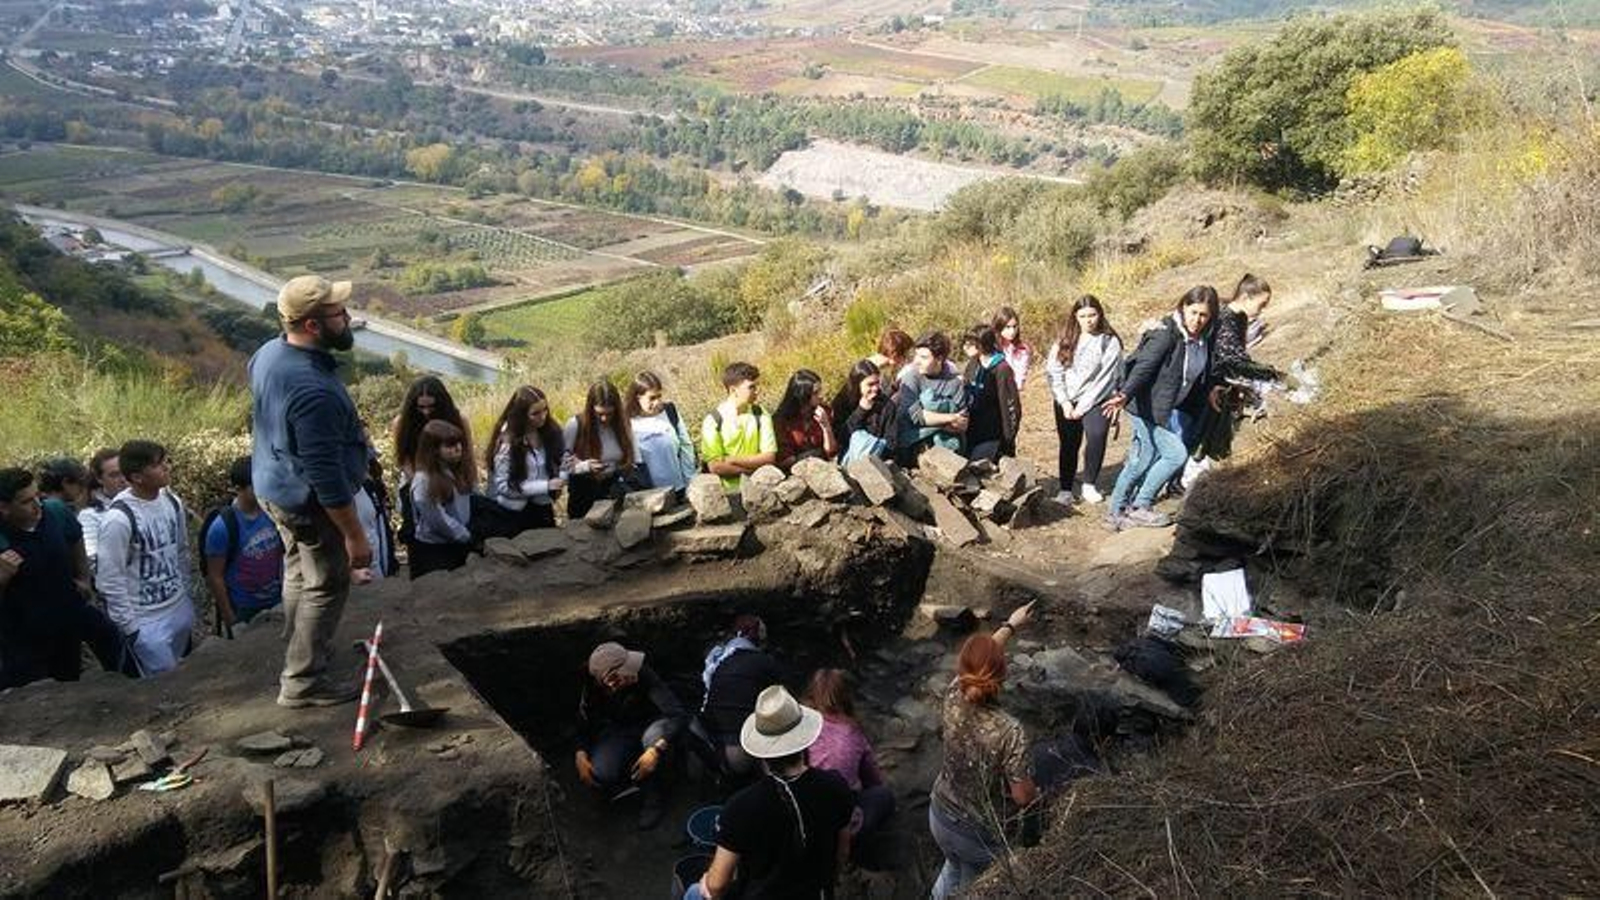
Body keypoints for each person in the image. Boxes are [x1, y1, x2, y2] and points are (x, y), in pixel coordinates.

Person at [250, 274, 373, 707]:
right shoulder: (312, 390)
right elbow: (324, 476)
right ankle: (303, 681)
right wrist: (354, 534)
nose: (348, 317)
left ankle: (303, 646)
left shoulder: (269, 354)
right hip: (306, 500)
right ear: (313, 326)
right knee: (327, 581)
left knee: (299, 572)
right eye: (338, 313)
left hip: (274, 486)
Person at [689, 685, 855, 900]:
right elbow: (842, 852)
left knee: (695, 892)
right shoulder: (835, 785)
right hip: (817, 893)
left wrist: (707, 883)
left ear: (762, 751)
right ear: (803, 741)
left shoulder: (741, 807)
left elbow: (717, 886)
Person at [929, 603, 1039, 899]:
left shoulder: (954, 692)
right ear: (1002, 675)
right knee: (970, 886)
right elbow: (1023, 796)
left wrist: (1012, 626)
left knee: (951, 868)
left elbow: (980, 661)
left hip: (939, 814)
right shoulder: (1010, 731)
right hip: (978, 834)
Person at [1101, 286, 1222, 531]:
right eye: (1193, 312)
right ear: (1183, 307)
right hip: (1143, 406)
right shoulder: (1166, 335)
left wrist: (1212, 388)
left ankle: (1118, 512)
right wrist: (1124, 394)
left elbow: (1203, 371)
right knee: (1174, 454)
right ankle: (1137, 507)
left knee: (1144, 458)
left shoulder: (1203, 340)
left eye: (1203, 315)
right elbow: (1143, 367)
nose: (1196, 320)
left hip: (1164, 408)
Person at [0, 468, 127, 689]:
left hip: (67, 616)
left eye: (38, 497)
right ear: (4, 508)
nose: (37, 505)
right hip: (24, 639)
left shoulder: (56, 512)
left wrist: (84, 578)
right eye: (26, 502)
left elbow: (75, 538)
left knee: (105, 643)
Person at [95, 440, 194, 676]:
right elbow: (109, 579)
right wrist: (132, 629)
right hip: (147, 621)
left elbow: (181, 550)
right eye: (158, 465)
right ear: (138, 477)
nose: (166, 468)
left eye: (164, 462)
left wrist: (186, 597)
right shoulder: (119, 519)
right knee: (163, 685)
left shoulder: (171, 501)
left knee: (186, 677)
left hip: (177, 607)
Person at [575, 641, 689, 830]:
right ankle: (629, 778)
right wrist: (580, 752)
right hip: (621, 729)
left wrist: (655, 750)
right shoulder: (592, 687)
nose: (632, 671)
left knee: (653, 738)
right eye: (625, 671)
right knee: (602, 773)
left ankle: (654, 797)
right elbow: (584, 722)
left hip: (653, 725)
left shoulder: (643, 673)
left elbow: (678, 715)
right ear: (610, 680)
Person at [1045, 295, 1124, 507]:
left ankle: (1089, 483)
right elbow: (1054, 371)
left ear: (1100, 314)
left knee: (1097, 435)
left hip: (1098, 398)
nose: (1088, 320)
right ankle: (1066, 488)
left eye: (1092, 315)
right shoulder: (1066, 338)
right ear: (1075, 316)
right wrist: (1065, 402)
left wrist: (1084, 405)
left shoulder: (1109, 341)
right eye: (1083, 316)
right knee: (1069, 442)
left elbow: (1106, 377)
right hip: (1068, 398)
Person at [803, 668, 895, 842]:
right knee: (883, 795)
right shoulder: (852, 733)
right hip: (841, 823)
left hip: (805, 819)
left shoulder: (801, 728)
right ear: (846, 697)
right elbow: (872, 778)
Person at [202, 456, 285, 632]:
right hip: (244, 607)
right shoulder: (222, 527)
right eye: (255, 486)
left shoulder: (272, 512)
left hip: (278, 599)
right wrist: (230, 619)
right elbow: (215, 576)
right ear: (238, 488)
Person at [697, 614, 782, 780]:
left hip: (709, 743)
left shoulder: (716, 659)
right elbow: (782, 701)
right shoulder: (763, 662)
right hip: (744, 748)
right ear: (757, 636)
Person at [486, 386, 566, 534]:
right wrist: (545, 485)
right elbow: (504, 486)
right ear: (521, 415)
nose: (543, 416)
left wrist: (581, 467)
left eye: (545, 410)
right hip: (514, 513)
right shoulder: (507, 442)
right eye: (535, 413)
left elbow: (563, 461)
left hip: (542, 506)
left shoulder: (549, 431)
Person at [408, 420, 477, 578]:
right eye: (450, 446)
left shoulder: (456, 470)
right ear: (433, 450)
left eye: (459, 443)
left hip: (459, 542)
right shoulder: (423, 481)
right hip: (435, 550)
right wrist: (465, 535)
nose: (458, 449)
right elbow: (437, 520)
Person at [562, 380, 640, 519]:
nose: (604, 418)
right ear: (590, 408)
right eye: (599, 414)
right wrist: (584, 466)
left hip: (613, 489)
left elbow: (633, 459)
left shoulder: (623, 425)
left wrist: (620, 468)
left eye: (609, 413)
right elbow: (561, 462)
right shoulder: (576, 425)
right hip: (583, 493)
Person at [895, 331, 969, 468]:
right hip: (915, 444)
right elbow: (916, 416)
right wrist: (950, 418)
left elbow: (962, 423)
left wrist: (938, 419)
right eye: (916, 355)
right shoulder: (911, 378)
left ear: (939, 359)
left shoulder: (954, 382)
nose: (917, 361)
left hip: (949, 445)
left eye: (923, 357)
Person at [701, 362, 778, 492]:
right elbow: (715, 467)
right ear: (733, 390)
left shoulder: (761, 413)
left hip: (761, 489)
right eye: (751, 387)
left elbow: (769, 457)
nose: (757, 391)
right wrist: (753, 470)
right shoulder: (713, 420)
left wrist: (730, 460)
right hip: (728, 494)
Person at [627, 371, 697, 494]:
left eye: (659, 396)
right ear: (638, 398)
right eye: (652, 398)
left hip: (680, 487)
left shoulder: (670, 412)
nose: (657, 402)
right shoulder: (628, 422)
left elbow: (686, 446)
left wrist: (689, 480)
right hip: (651, 493)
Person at [960, 324, 1021, 462]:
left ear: (982, 344)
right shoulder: (973, 364)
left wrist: (1008, 439)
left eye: (970, 343)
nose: (965, 347)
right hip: (972, 431)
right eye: (965, 343)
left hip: (993, 435)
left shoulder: (1001, 369)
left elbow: (1011, 408)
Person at [391, 376, 473, 479]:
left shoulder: (459, 420)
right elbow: (403, 459)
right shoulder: (402, 423)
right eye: (421, 407)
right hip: (416, 481)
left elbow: (468, 457)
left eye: (431, 406)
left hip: (454, 481)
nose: (426, 412)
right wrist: (419, 484)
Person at [829, 359, 897, 464]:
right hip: (849, 455)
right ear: (857, 384)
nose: (875, 388)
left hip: (878, 455)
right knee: (859, 438)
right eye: (870, 384)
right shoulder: (842, 402)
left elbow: (891, 440)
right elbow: (841, 437)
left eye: (877, 383)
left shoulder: (887, 405)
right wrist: (861, 411)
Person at [772, 369, 838, 471]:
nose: (820, 396)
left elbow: (831, 452)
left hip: (823, 468)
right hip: (795, 472)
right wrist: (813, 455)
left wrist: (826, 427)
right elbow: (785, 460)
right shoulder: (781, 420)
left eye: (820, 391)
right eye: (816, 393)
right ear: (803, 395)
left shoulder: (824, 411)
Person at [78, 448, 127, 576]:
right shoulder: (90, 516)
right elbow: (93, 561)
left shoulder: (143, 502)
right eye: (114, 475)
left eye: (124, 472)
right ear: (99, 479)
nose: (123, 479)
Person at [993, 305, 1031, 390]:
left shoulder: (1022, 349)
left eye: (1015, 326)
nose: (1012, 331)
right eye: (1008, 327)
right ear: (999, 326)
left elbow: (1020, 379)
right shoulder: (992, 347)